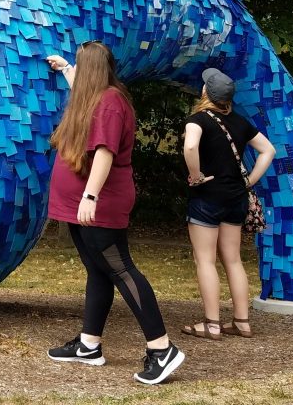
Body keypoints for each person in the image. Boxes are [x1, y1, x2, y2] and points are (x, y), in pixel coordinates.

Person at [42, 41, 185, 385]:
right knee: (99, 270)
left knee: (121, 269)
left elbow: (104, 152)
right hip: (79, 203)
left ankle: (162, 348)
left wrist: (90, 195)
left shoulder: (109, 103)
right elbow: (79, 84)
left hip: (98, 202)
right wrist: (64, 69)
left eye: (79, 65)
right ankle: (89, 345)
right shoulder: (95, 96)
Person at [180, 68, 275, 340]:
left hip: (207, 197)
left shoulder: (196, 120)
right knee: (233, 260)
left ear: (205, 93)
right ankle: (242, 322)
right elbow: (268, 150)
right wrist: (249, 181)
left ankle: (211, 324)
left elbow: (190, 147)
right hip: (236, 198)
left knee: (205, 260)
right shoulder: (241, 122)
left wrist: (196, 175)